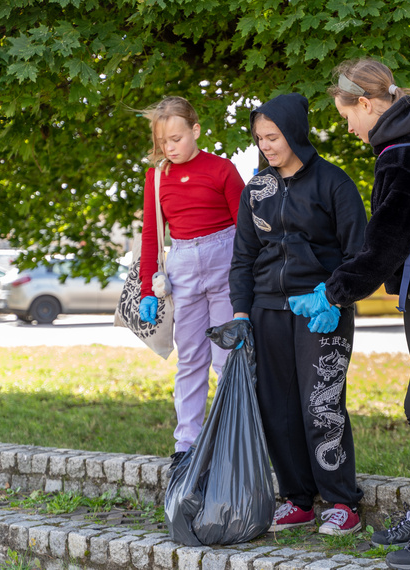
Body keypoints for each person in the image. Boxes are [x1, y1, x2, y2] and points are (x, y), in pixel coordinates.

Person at [293, 59, 410, 569]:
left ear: (369, 104)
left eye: (347, 115)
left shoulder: (405, 155)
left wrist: (333, 293)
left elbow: (384, 247)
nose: (348, 127)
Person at [228, 93, 367, 536]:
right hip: (268, 309)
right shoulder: (257, 190)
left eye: (273, 136)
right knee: (277, 408)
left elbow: (360, 253)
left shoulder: (334, 184)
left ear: (294, 133)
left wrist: (336, 298)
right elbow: (243, 257)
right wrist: (241, 314)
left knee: (320, 406)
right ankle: (298, 499)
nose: (266, 145)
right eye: (259, 138)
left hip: (321, 310)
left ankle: (343, 502)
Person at [136, 96, 246, 471]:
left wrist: (248, 279)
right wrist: (148, 290)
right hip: (182, 266)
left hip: (224, 262)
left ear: (196, 130)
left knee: (226, 357)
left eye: (177, 139)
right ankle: (187, 443)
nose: (170, 148)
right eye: (163, 142)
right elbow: (152, 236)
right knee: (191, 359)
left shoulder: (223, 170)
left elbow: (246, 230)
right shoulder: (157, 178)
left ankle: (233, 438)